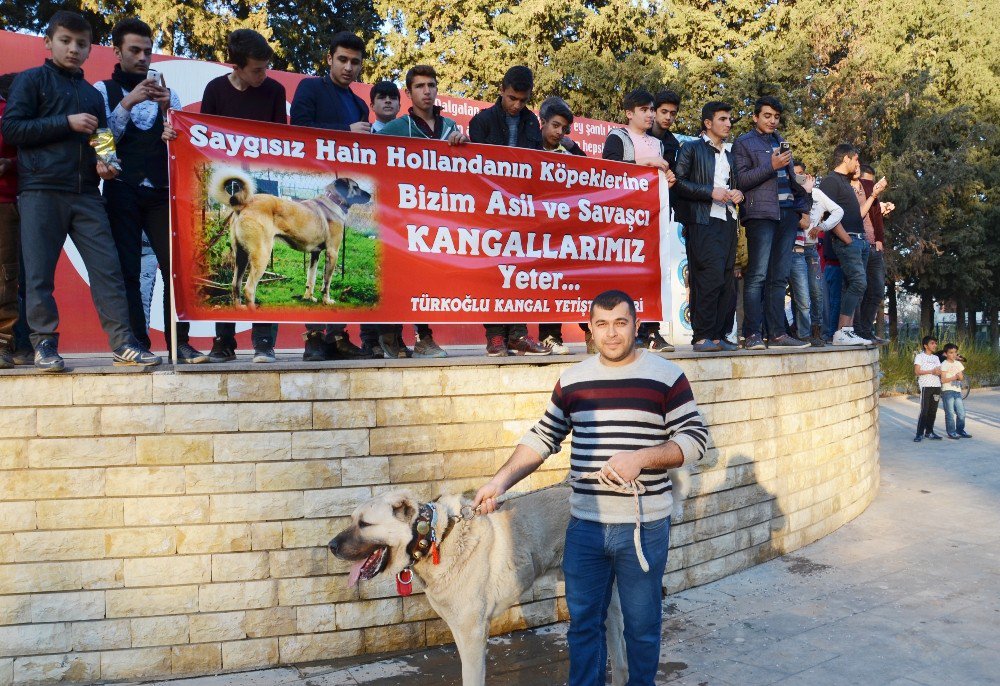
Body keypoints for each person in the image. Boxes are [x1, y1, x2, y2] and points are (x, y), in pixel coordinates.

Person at [472, 289, 707, 686]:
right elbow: (543, 437)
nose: (612, 333)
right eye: (602, 324)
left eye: (620, 322)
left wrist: (641, 459)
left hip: (644, 528)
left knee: (642, 628)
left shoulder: (666, 376)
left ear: (635, 324)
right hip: (584, 527)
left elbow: (696, 438)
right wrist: (499, 481)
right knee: (583, 628)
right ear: (591, 330)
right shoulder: (573, 379)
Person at [2, 11, 160, 371]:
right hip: (41, 189)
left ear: (91, 50)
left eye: (81, 44)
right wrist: (65, 122)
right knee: (39, 274)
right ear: (48, 42)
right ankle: (44, 344)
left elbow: (103, 140)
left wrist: (108, 164)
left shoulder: (91, 94)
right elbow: (12, 129)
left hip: (87, 193)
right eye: (66, 41)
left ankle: (123, 344)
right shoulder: (30, 82)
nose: (73, 49)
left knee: (109, 270)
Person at [164, 29, 285, 363]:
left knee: (263, 255)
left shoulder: (274, 91)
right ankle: (224, 342)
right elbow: (203, 137)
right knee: (232, 253)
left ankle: (264, 341)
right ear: (237, 66)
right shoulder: (215, 89)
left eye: (266, 68)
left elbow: (283, 143)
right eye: (257, 70)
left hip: (263, 184)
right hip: (228, 182)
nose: (264, 75)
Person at [96, 18, 209, 364]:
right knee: (127, 269)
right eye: (135, 50)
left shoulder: (168, 94)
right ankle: (135, 343)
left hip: (162, 191)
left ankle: (179, 343)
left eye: (147, 51)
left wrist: (167, 117)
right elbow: (102, 141)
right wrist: (128, 102)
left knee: (176, 267)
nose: (144, 57)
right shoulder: (102, 90)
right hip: (121, 190)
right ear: (117, 51)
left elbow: (180, 143)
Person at [376, 64, 472, 358]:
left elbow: (472, 168)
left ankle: (423, 337)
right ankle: (390, 336)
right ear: (409, 93)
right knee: (400, 277)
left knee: (425, 280)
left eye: (431, 85)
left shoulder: (451, 127)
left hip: (439, 217)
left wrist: (464, 144)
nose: (427, 91)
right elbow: (371, 161)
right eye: (419, 86)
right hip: (402, 218)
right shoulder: (396, 128)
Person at [288, 31, 372, 362]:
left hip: (344, 191)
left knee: (337, 254)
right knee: (310, 247)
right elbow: (299, 128)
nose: (349, 67)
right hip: (315, 184)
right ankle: (312, 339)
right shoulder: (310, 87)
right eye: (342, 60)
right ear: (329, 59)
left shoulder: (359, 103)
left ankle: (337, 336)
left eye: (355, 62)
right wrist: (345, 132)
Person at [468, 65, 550, 356]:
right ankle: (495, 336)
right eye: (512, 98)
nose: (517, 105)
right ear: (501, 90)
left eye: (523, 100)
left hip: (521, 209)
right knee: (494, 272)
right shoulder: (482, 121)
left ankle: (518, 334)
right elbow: (473, 167)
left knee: (520, 271)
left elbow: (537, 163)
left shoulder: (531, 123)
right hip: (490, 210)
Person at [731, 96, 810, 350]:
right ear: (755, 117)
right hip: (761, 216)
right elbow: (741, 181)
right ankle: (752, 333)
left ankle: (777, 333)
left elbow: (789, 180)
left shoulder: (780, 141)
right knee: (757, 276)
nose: (772, 121)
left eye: (776, 117)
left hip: (786, 215)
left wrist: (802, 204)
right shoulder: (743, 142)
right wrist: (770, 164)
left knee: (779, 278)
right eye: (767, 116)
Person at [603, 88, 677, 353]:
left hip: (650, 219)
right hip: (622, 218)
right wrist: (647, 163)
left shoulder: (658, 143)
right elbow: (609, 171)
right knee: (623, 275)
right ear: (629, 113)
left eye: (651, 109)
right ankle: (625, 330)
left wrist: (666, 180)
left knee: (650, 273)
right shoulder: (618, 137)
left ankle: (652, 331)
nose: (650, 114)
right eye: (644, 110)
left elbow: (656, 177)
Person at [672, 101, 743, 352]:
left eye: (729, 119)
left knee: (726, 279)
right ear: (708, 123)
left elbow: (735, 186)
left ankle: (718, 335)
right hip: (702, 220)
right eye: (722, 119)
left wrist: (738, 194)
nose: (728, 124)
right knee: (707, 278)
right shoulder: (690, 148)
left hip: (728, 221)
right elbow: (678, 183)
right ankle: (701, 336)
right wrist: (709, 192)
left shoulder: (730, 154)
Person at [818, 144, 884, 345]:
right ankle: (842, 332)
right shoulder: (830, 181)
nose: (857, 164)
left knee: (853, 286)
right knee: (858, 282)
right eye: (855, 159)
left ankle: (845, 331)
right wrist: (844, 237)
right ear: (846, 159)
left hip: (860, 241)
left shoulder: (845, 182)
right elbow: (826, 213)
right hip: (849, 240)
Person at [535, 95, 584, 355]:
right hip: (531, 228)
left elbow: (592, 177)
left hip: (561, 229)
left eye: (563, 128)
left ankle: (552, 335)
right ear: (542, 122)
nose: (558, 132)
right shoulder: (528, 146)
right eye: (554, 126)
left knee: (556, 282)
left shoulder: (571, 152)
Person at [792, 162, 843, 347]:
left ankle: (816, 331)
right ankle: (802, 333)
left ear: (807, 176)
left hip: (811, 249)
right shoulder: (790, 192)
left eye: (801, 174)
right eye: (794, 174)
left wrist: (823, 226)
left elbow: (838, 211)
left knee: (817, 292)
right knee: (801, 295)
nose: (799, 177)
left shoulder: (817, 194)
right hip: (793, 248)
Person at [855, 165, 888, 344]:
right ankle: (857, 330)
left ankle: (866, 330)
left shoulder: (873, 198)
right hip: (859, 245)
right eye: (866, 182)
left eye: (872, 182)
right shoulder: (851, 191)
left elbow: (876, 219)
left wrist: (880, 239)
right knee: (860, 289)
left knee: (876, 291)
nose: (870, 186)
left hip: (875, 247)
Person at [0, 75, 19, 368]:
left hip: (9, 200)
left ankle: (4, 342)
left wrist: (10, 164)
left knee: (6, 273)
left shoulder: (9, 109)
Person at [913, 335, 943, 441]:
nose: (935, 345)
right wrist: (931, 371)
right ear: (926, 345)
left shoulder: (935, 358)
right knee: (924, 411)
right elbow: (917, 372)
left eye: (935, 343)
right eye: (932, 343)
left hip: (937, 387)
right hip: (926, 386)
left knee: (933, 411)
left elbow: (939, 370)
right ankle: (919, 434)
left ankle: (929, 432)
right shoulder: (920, 357)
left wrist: (940, 372)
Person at [939, 343, 972, 439]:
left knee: (961, 413)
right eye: (951, 353)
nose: (954, 355)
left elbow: (961, 377)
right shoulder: (944, 364)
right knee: (949, 413)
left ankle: (960, 430)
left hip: (957, 391)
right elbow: (943, 380)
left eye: (955, 352)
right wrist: (954, 377)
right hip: (947, 391)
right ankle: (951, 432)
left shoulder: (958, 364)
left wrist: (959, 377)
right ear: (946, 354)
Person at [649, 89, 681, 170]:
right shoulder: (640, 134)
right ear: (654, 112)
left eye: (673, 114)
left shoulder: (674, 144)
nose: (668, 117)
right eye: (664, 112)